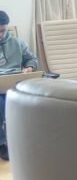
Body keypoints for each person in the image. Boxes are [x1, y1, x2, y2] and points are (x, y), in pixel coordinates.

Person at [0, 10, 39, 160]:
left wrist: (29, 68)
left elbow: (32, 59)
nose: (0, 35)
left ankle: (28, 140)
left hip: (14, 81)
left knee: (32, 99)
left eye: (3, 31)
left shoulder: (17, 43)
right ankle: (3, 144)